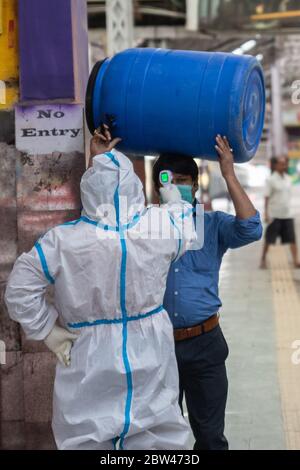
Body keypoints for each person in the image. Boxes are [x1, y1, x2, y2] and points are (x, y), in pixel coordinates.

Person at [5, 126, 196, 450]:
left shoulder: (64, 240)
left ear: (89, 191)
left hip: (88, 354)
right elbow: (185, 219)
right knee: (159, 438)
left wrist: (48, 330)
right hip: (148, 349)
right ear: (135, 188)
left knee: (85, 437)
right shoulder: (161, 226)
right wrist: (173, 196)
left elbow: (19, 287)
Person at [152, 135, 263, 450]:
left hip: (205, 345)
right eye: (167, 181)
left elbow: (252, 228)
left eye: (182, 181)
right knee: (159, 436)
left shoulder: (212, 225)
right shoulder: (144, 225)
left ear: (195, 186)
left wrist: (229, 174)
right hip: (157, 346)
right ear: (156, 188)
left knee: (211, 437)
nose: (175, 187)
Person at [260, 156, 300, 269]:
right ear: (275, 165)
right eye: (281, 164)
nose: (284, 166)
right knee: (269, 239)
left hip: (288, 214)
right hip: (275, 215)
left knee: (292, 239)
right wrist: (266, 213)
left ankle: (296, 260)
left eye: (285, 164)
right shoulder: (270, 180)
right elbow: (266, 197)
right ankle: (263, 259)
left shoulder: (288, 178)